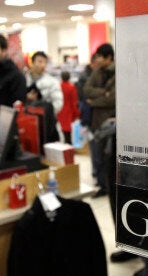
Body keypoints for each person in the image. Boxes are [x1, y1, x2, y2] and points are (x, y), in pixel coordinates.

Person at [83, 43, 115, 198]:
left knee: (109, 156)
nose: (97, 60)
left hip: (110, 123)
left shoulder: (117, 73)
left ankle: (111, 187)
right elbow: (86, 90)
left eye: (100, 57)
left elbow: (113, 100)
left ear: (108, 57)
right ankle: (103, 186)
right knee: (98, 157)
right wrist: (103, 93)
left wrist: (93, 101)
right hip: (96, 121)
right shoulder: (97, 72)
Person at [58, 71, 79, 144]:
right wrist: (77, 113)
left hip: (60, 109)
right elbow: (74, 101)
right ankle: (68, 144)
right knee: (68, 129)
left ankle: (65, 143)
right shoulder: (71, 87)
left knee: (62, 128)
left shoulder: (58, 86)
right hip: (68, 110)